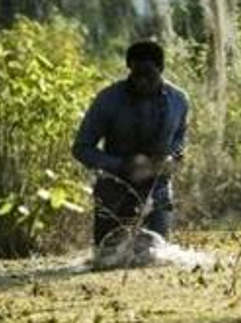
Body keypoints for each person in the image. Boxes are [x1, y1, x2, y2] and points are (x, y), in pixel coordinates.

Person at [73, 40, 190, 249]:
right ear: (129, 69)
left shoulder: (179, 100)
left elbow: (179, 140)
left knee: (155, 256)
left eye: (149, 75)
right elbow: (81, 148)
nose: (142, 82)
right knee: (106, 258)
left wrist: (172, 157)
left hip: (157, 190)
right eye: (137, 75)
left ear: (161, 69)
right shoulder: (107, 99)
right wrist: (120, 165)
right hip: (113, 189)